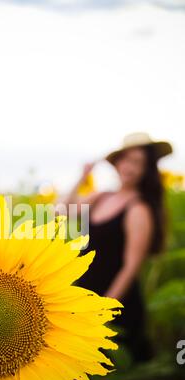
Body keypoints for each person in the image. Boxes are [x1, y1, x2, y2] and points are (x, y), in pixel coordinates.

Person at [62, 132, 173, 362]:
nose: (128, 167)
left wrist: (103, 312)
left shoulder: (138, 209)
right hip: (85, 298)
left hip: (116, 305)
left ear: (146, 169)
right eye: (125, 159)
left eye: (137, 162)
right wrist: (82, 178)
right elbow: (61, 211)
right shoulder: (102, 197)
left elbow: (131, 268)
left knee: (117, 373)